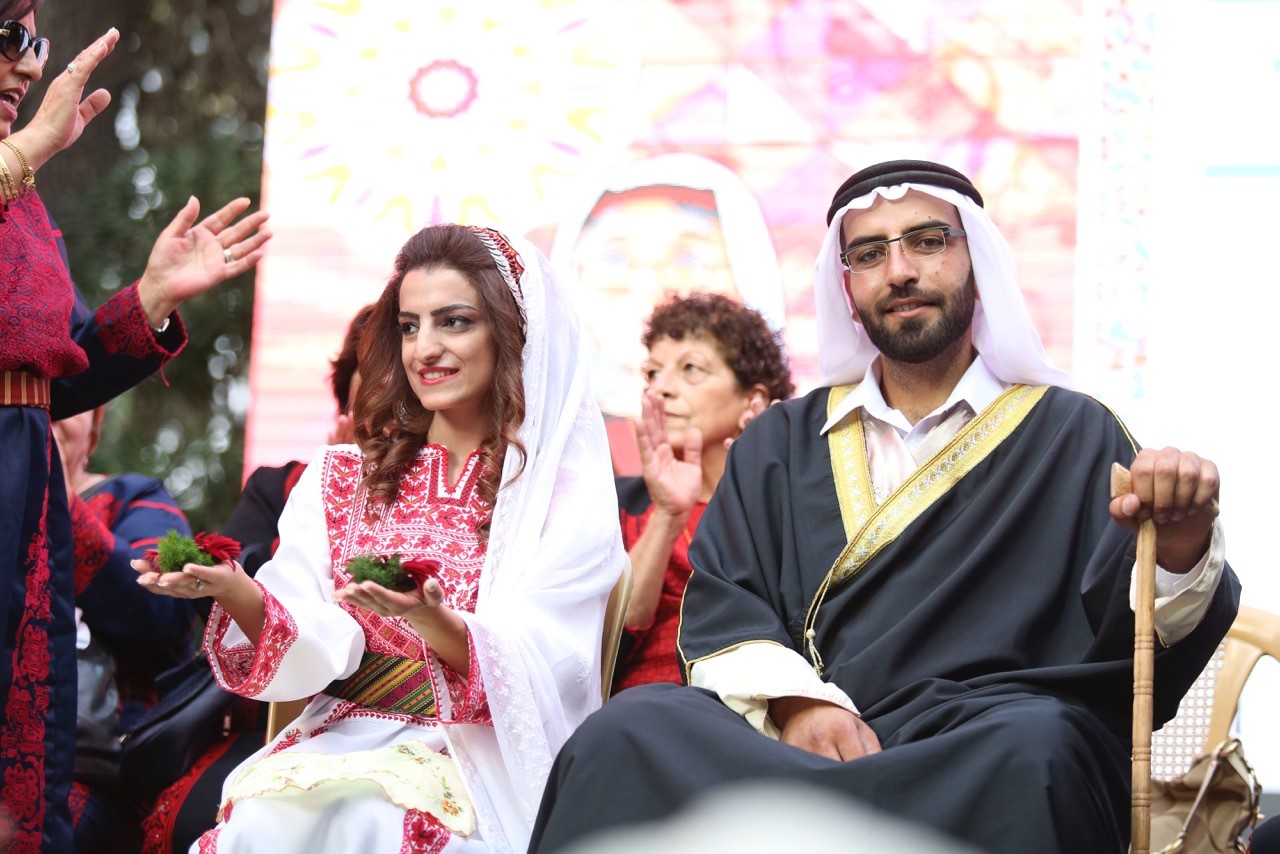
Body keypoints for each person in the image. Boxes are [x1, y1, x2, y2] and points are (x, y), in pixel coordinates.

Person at [529, 160, 1241, 853]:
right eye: (868, 253)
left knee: (1040, 748)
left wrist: (1180, 544)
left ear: (978, 263)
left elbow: (1134, 641)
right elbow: (725, 607)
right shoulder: (780, 441)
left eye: (928, 242)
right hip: (792, 745)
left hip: (977, 747)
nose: (899, 270)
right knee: (630, 729)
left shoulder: (1073, 431)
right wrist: (798, 703)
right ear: (847, 288)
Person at [136, 224, 624, 852]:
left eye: (453, 322)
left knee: (375, 818)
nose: (425, 348)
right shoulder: (342, 476)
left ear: (511, 333)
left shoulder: (560, 496)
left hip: (473, 761)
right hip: (331, 742)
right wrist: (236, 593)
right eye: (410, 325)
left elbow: (553, 660)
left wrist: (435, 622)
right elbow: (308, 625)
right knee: (264, 820)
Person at [0, 3, 271, 849]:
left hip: (21, 495)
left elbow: (52, 373)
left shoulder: (26, 208)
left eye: (34, 44)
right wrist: (22, 155)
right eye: (10, 36)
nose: (29, 67)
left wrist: (151, 298)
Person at [137, 304, 375, 854]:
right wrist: (332, 486)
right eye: (370, 370)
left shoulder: (461, 491)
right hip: (271, 714)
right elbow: (239, 574)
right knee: (188, 818)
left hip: (411, 728)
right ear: (347, 395)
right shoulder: (283, 485)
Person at [613, 292, 792, 692]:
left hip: (765, 703)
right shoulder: (620, 504)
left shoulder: (792, 500)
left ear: (754, 400)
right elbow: (613, 633)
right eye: (653, 373)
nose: (662, 389)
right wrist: (666, 514)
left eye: (690, 369)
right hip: (645, 710)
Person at [52, 405, 195, 851]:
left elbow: (163, 611)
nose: (42, 414)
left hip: (88, 772)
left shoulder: (136, 498)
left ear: (93, 436)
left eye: (67, 403)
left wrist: (54, 500)